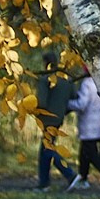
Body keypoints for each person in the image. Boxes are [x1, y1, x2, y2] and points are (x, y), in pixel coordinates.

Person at [69, 72, 100, 190]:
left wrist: (67, 103)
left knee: (90, 152)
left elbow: (82, 104)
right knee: (85, 151)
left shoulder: (87, 83)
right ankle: (83, 178)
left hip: (89, 124)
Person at [35, 51, 75, 190]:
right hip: (59, 119)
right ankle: (44, 182)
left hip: (47, 119)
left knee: (48, 151)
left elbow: (42, 102)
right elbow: (74, 98)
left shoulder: (45, 79)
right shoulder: (65, 80)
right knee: (46, 150)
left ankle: (69, 175)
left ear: (45, 63)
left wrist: (32, 110)